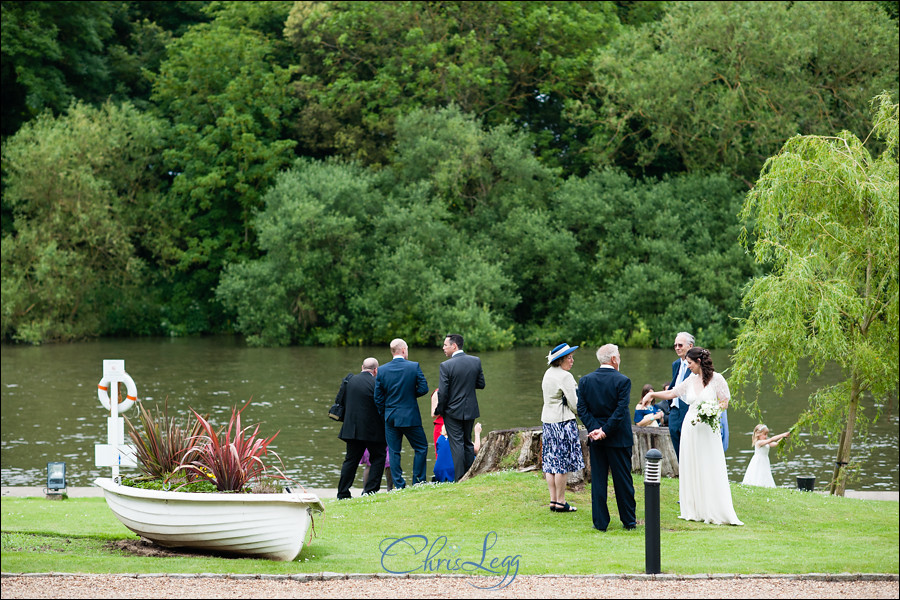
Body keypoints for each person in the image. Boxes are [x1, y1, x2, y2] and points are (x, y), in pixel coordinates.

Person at [643, 347, 743, 525]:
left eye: (689, 363)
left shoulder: (717, 379)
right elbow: (672, 393)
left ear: (698, 362)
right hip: (691, 427)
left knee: (709, 464)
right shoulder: (690, 380)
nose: (687, 366)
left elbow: (724, 402)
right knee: (692, 465)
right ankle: (694, 509)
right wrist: (652, 394)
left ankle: (714, 508)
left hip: (708, 428)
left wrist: (712, 410)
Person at [576, 344, 636, 531]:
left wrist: (595, 429)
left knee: (599, 481)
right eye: (618, 355)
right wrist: (605, 430)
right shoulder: (623, 381)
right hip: (618, 438)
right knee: (623, 481)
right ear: (613, 359)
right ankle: (629, 521)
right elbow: (620, 411)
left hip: (596, 439)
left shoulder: (585, 381)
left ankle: (600, 523)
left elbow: (582, 409)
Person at [374, 339, 430, 489]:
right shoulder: (413, 366)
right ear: (404, 350)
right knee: (421, 447)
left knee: (394, 451)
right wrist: (410, 396)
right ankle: (418, 481)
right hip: (410, 415)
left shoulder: (383, 370)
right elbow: (424, 388)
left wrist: (385, 413)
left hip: (390, 416)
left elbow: (378, 398)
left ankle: (399, 485)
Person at [540, 343, 586, 513]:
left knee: (551, 462)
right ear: (560, 360)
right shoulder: (565, 376)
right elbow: (575, 404)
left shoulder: (548, 373)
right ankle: (561, 501)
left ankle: (553, 500)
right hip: (562, 422)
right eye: (569, 357)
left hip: (548, 421)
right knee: (562, 464)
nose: (572, 360)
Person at [666, 332, 729, 456]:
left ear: (690, 346)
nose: (677, 348)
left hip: (692, 410)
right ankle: (683, 473)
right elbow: (674, 387)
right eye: (675, 345)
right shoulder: (676, 364)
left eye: (680, 345)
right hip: (675, 411)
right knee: (679, 448)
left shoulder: (698, 366)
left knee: (694, 450)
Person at [435, 333, 486, 482]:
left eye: (445, 345)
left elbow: (442, 393)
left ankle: (459, 479)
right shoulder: (475, 361)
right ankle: (470, 476)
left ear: (454, 346)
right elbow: (481, 384)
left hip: (452, 411)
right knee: (467, 442)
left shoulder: (446, 365)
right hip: (470, 409)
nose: (443, 348)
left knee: (456, 444)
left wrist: (441, 410)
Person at [336, 358, 386, 499]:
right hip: (373, 430)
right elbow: (381, 406)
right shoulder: (377, 383)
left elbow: (341, 401)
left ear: (362, 367)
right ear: (376, 370)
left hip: (351, 429)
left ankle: (343, 493)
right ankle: (370, 491)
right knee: (378, 457)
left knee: (350, 460)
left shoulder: (349, 381)